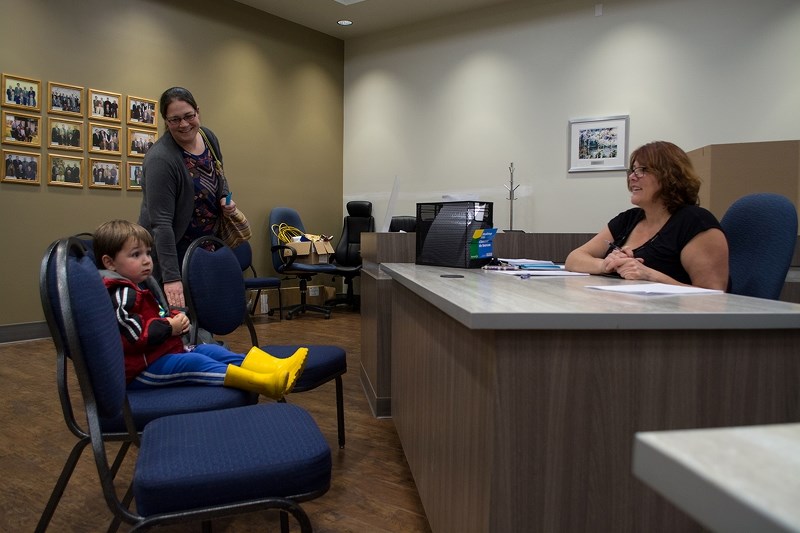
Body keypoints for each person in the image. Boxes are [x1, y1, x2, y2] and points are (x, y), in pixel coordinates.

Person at [93, 219, 306, 400]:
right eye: (136, 255)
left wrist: (175, 318)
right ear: (109, 263)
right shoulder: (119, 293)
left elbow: (155, 317)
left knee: (212, 350)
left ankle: (276, 368)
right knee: (197, 361)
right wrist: (169, 326)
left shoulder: (139, 286)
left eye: (148, 253)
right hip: (140, 371)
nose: (147, 260)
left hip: (162, 354)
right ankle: (264, 383)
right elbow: (133, 334)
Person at [565, 140, 729, 290]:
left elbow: (713, 296)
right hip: (624, 311)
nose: (632, 177)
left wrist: (649, 275)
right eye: (632, 170)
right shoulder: (629, 219)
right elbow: (574, 259)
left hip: (670, 319)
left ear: (669, 175)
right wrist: (607, 264)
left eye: (642, 170)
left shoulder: (695, 222)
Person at [138, 86, 233, 309]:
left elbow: (220, 175)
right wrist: (171, 278)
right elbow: (160, 224)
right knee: (179, 319)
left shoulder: (208, 137)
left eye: (189, 116)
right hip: (173, 251)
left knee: (206, 313)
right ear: (165, 120)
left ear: (197, 112)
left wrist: (225, 198)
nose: (184, 124)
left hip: (206, 247)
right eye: (175, 119)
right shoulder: (161, 160)